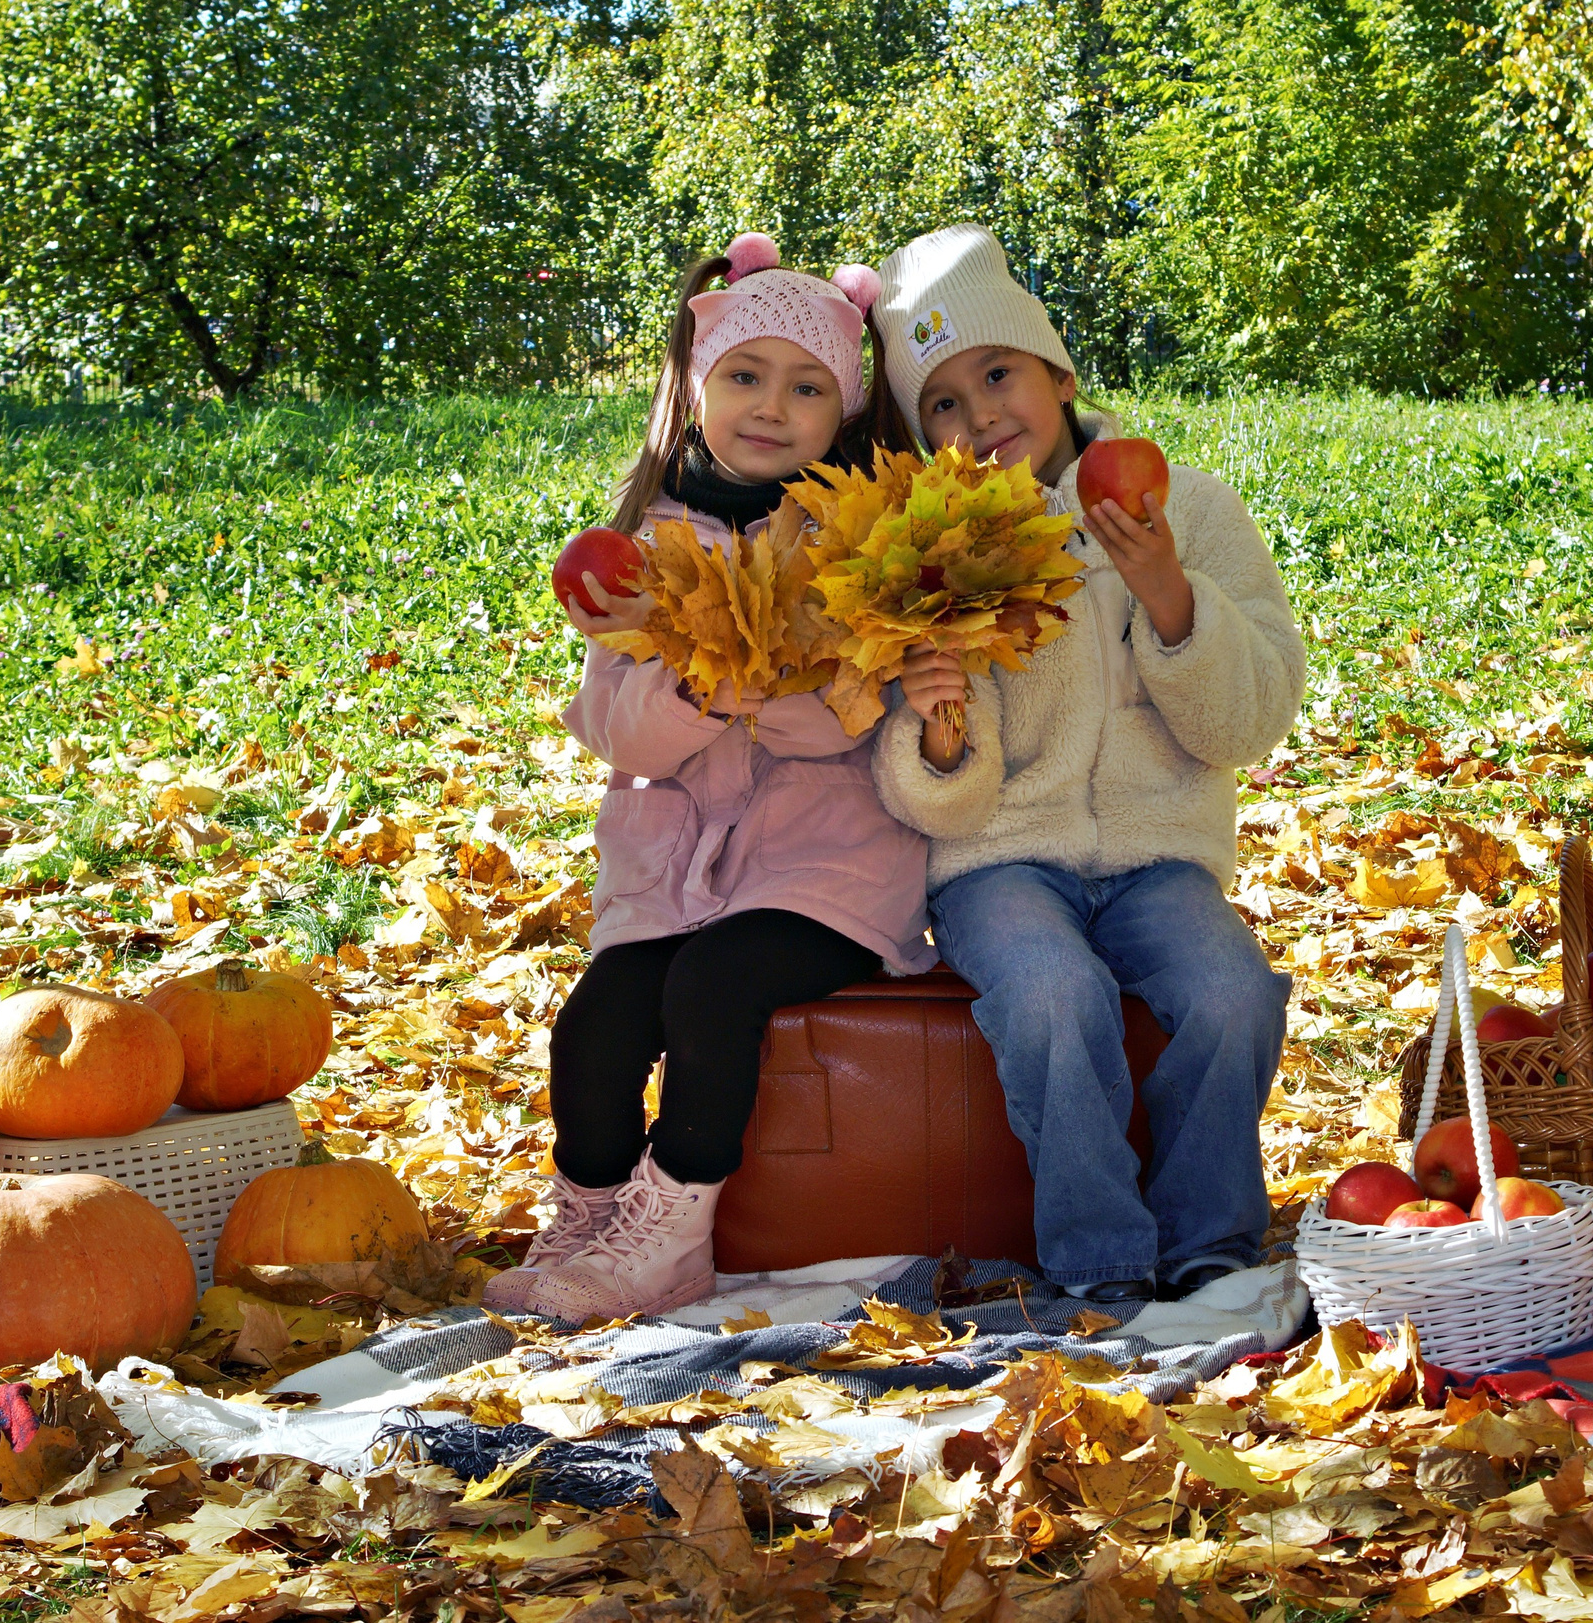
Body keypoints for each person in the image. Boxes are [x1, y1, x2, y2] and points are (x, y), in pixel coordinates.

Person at [486, 234, 931, 1324]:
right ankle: (591, 1215)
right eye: (745, 375)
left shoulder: (851, 541)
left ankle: (673, 1232)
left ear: (843, 413)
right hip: (674, 868)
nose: (771, 406)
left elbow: (847, 712)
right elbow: (618, 732)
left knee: (713, 989)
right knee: (597, 1025)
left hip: (823, 865)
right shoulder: (640, 550)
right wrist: (696, 687)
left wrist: (752, 675)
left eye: (807, 387)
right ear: (696, 384)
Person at [867, 224, 1305, 1304]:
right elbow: (936, 795)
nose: (981, 415)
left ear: (1059, 374)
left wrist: (1169, 596)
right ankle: (1100, 1261)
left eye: (998, 374)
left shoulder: (1189, 507)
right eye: (943, 403)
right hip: (1001, 860)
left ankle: (1209, 1244)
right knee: (1054, 994)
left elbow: (1249, 721)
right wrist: (941, 737)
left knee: (1230, 991)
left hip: (1159, 857)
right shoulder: (944, 550)